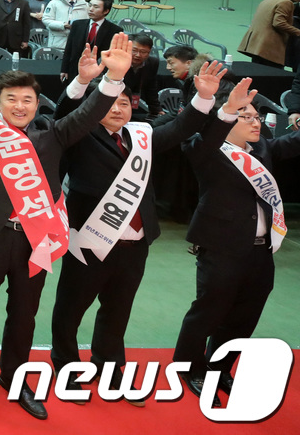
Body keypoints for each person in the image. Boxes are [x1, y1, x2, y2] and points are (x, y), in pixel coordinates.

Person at [0, 32, 132, 420]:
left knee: (24, 313)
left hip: (36, 239)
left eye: (27, 99)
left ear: (37, 105)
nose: (19, 105)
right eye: (10, 98)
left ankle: (15, 378)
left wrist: (111, 79)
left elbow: (86, 113)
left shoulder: (53, 133)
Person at [48, 60, 227, 398]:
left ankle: (110, 367)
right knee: (70, 309)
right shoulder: (78, 135)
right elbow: (63, 112)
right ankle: (67, 367)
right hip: (89, 242)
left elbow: (180, 128)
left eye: (125, 102)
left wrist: (203, 97)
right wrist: (85, 81)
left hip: (135, 245)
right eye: (111, 102)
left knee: (118, 311)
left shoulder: (141, 136)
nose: (119, 109)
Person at [173, 79, 300, 397]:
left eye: (257, 117)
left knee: (245, 316)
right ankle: (189, 369)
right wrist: (228, 107)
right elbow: (202, 139)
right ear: (227, 119)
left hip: (261, 251)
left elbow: (292, 144)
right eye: (246, 116)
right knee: (208, 311)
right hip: (221, 247)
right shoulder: (207, 149)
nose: (256, 122)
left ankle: (219, 368)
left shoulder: (262, 149)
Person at [59, 0, 123, 87]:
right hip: (75, 69)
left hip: (98, 73)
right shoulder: (77, 25)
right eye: (90, 5)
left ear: (106, 11)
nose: (91, 9)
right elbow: (69, 48)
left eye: (96, 7)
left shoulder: (115, 30)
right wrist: (64, 69)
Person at [237, 0, 300, 69]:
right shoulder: (286, 2)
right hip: (269, 49)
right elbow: (279, 23)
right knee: (272, 77)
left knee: (256, 73)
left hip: (256, 45)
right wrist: (298, 32)